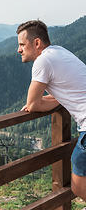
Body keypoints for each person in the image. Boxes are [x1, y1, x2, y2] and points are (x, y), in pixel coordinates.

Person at [16, 20, 86, 201]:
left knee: (78, 187)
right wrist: (44, 100)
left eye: (22, 44)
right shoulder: (60, 52)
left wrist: (37, 102)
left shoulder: (43, 61)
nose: (19, 50)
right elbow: (64, 94)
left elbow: (32, 105)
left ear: (37, 43)